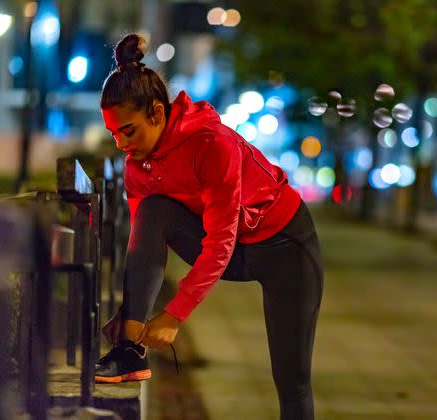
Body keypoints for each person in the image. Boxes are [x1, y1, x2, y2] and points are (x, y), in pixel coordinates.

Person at [95, 33, 323, 420]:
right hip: (237, 252)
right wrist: (131, 310)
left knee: (292, 378)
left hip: (287, 244)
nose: (120, 144)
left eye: (128, 131)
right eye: (113, 133)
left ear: (156, 113)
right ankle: (129, 350)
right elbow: (142, 239)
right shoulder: (138, 167)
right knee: (151, 210)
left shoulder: (211, 145)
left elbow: (219, 241)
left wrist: (174, 315)